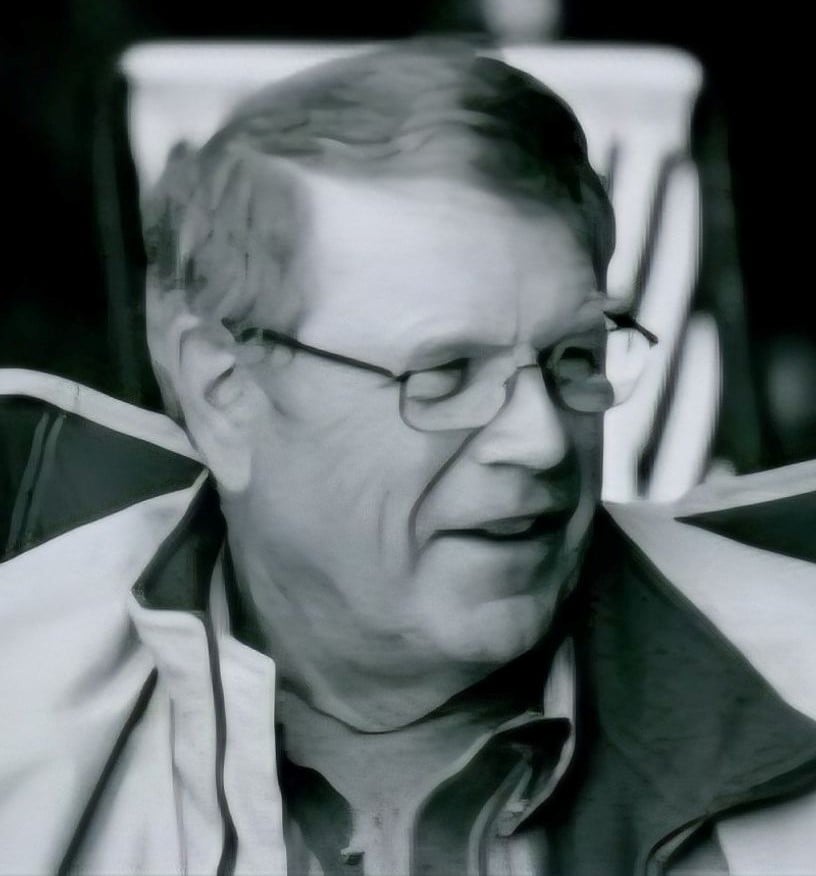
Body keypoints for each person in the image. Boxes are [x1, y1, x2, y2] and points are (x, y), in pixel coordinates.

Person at [2, 43, 816, 876]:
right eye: (445, 373)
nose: (538, 439)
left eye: (574, 355)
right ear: (224, 389)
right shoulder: (19, 713)